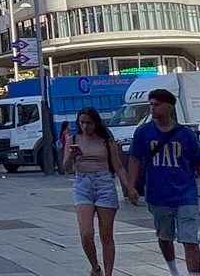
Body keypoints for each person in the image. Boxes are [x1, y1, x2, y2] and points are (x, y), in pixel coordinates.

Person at [128, 89, 200, 276]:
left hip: (186, 194)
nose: (152, 108)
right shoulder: (144, 132)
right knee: (164, 237)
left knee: (190, 239)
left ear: (169, 107)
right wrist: (131, 186)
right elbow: (135, 159)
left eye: (157, 104)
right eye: (151, 104)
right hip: (158, 194)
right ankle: (173, 270)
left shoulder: (185, 134)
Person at [62, 107, 133, 276]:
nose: (85, 127)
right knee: (86, 233)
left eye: (89, 123)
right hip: (82, 184)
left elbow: (118, 167)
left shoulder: (106, 141)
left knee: (106, 234)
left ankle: (108, 273)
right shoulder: (73, 139)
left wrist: (130, 188)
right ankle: (95, 267)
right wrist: (72, 155)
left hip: (104, 183)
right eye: (82, 123)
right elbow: (66, 168)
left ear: (96, 123)